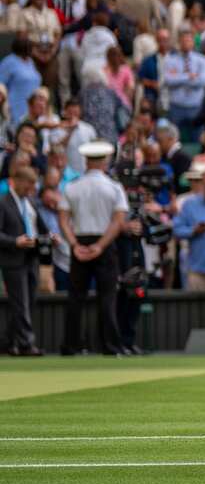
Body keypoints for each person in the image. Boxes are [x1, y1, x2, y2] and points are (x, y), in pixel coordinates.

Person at [57, 141, 129, 355]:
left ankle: (71, 346)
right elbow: (118, 221)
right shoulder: (114, 187)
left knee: (76, 296)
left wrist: (75, 245)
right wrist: (100, 246)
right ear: (105, 161)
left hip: (80, 241)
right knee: (107, 296)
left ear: (87, 161)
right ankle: (110, 345)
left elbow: (63, 221)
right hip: (104, 244)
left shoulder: (72, 186)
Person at [1, 166, 48, 356]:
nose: (32, 188)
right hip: (12, 259)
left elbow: (40, 228)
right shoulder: (3, 203)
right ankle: (27, 344)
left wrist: (50, 237)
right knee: (20, 303)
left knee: (27, 302)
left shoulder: (31, 203)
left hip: (31, 258)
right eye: (29, 184)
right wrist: (15, 241)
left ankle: (8, 343)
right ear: (17, 181)